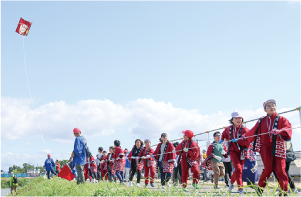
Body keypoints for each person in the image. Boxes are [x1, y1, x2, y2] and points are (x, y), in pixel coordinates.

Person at [244, 99, 292, 195]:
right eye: (269, 106)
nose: (272, 107)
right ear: (265, 109)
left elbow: (288, 128)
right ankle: (259, 190)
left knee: (281, 170)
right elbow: (253, 131)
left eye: (273, 105)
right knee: (268, 170)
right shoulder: (261, 120)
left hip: (278, 146)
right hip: (265, 148)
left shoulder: (282, 119)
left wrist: (280, 131)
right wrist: (244, 137)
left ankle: (284, 193)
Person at [220, 111, 249, 194]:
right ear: (232, 120)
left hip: (242, 151)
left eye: (240, 118)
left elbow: (248, 140)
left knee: (238, 170)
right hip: (233, 150)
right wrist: (222, 139)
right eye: (236, 118)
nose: (238, 119)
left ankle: (231, 182)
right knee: (238, 169)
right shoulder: (228, 129)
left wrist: (239, 141)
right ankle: (240, 188)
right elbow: (224, 134)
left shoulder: (245, 129)